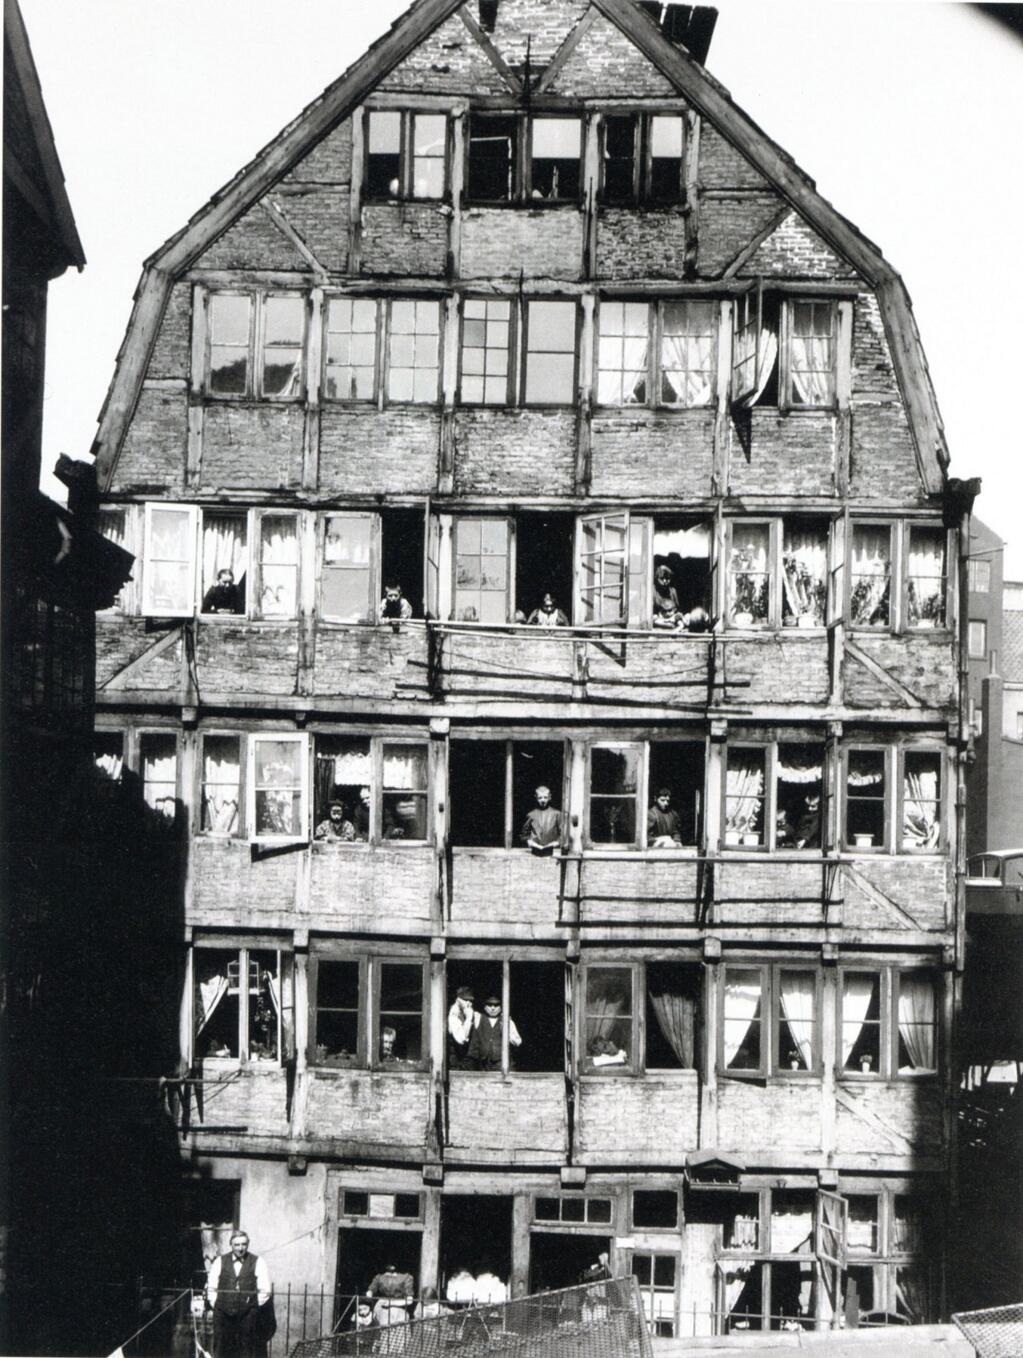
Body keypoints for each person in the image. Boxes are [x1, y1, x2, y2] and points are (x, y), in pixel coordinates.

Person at [206, 1230, 271, 1358]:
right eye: (237, 1245)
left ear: (248, 1244)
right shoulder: (220, 1261)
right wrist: (218, 1306)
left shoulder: (258, 1262)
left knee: (246, 1351)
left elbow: (265, 1290)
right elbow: (211, 1287)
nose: (240, 1248)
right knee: (222, 1350)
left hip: (247, 1317)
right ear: (231, 1245)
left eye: (244, 1244)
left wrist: (251, 1306)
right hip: (223, 1317)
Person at [467, 996, 521, 1070]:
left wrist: (506, 1029)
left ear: (501, 1007)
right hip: (484, 1064)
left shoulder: (507, 1021)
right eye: (490, 1005)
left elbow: (518, 1042)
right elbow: (467, 1010)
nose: (493, 1008)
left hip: (502, 1064)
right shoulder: (478, 1018)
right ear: (485, 1007)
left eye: (496, 1005)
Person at [519, 785, 561, 852]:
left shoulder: (557, 814)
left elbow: (563, 834)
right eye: (540, 798)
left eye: (545, 797)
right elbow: (524, 835)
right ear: (536, 797)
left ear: (549, 797)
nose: (543, 800)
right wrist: (531, 842)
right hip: (535, 851)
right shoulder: (531, 815)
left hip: (554, 851)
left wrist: (555, 843)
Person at [447, 986, 479, 1069]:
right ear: (458, 1000)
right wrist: (469, 1018)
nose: (469, 1003)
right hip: (456, 1062)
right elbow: (461, 1039)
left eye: (471, 1001)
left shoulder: (472, 1013)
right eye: (466, 1000)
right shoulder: (453, 1013)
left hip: (470, 1062)